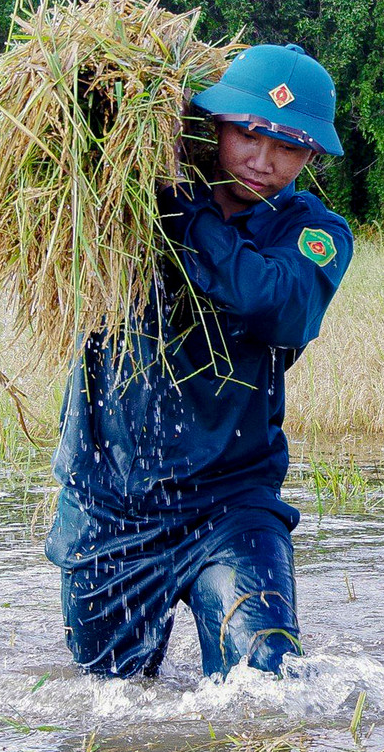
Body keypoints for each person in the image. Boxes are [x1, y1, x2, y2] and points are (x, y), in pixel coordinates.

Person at [45, 43, 352, 678]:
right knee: (108, 701)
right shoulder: (123, 204)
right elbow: (64, 143)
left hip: (232, 502)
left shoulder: (314, 235)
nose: (262, 161)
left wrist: (184, 212)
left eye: (289, 146)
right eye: (248, 134)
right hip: (110, 500)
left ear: (311, 155)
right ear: (213, 123)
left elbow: (273, 304)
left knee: (265, 675)